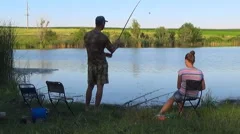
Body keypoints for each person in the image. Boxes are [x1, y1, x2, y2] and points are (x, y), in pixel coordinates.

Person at [84, 16, 122, 111]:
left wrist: (104, 54)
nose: (104, 25)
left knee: (90, 86)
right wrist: (117, 44)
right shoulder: (103, 37)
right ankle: (96, 109)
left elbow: (93, 50)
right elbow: (112, 49)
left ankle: (87, 107)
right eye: (104, 23)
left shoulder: (87, 35)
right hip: (101, 66)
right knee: (100, 87)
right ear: (102, 24)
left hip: (91, 65)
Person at [157, 50, 206, 120]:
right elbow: (203, 87)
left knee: (174, 97)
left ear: (186, 60)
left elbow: (178, 86)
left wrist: (185, 88)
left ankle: (160, 114)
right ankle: (181, 114)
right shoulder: (200, 72)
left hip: (183, 95)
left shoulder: (182, 71)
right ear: (193, 61)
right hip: (195, 96)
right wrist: (194, 87)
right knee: (178, 96)